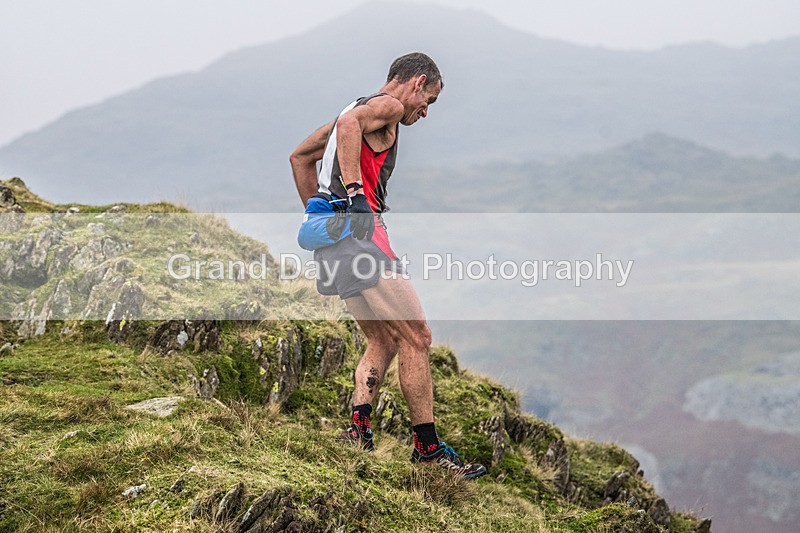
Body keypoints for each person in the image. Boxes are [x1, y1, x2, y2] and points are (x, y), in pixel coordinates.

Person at [289, 52, 486, 480]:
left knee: (383, 338)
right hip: (363, 241)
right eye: (429, 100)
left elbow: (300, 158)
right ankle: (428, 452)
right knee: (418, 336)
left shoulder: (355, 109)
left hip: (336, 245)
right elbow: (348, 127)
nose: (425, 111)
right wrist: (356, 198)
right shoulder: (389, 107)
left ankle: (358, 431)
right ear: (417, 82)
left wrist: (324, 221)